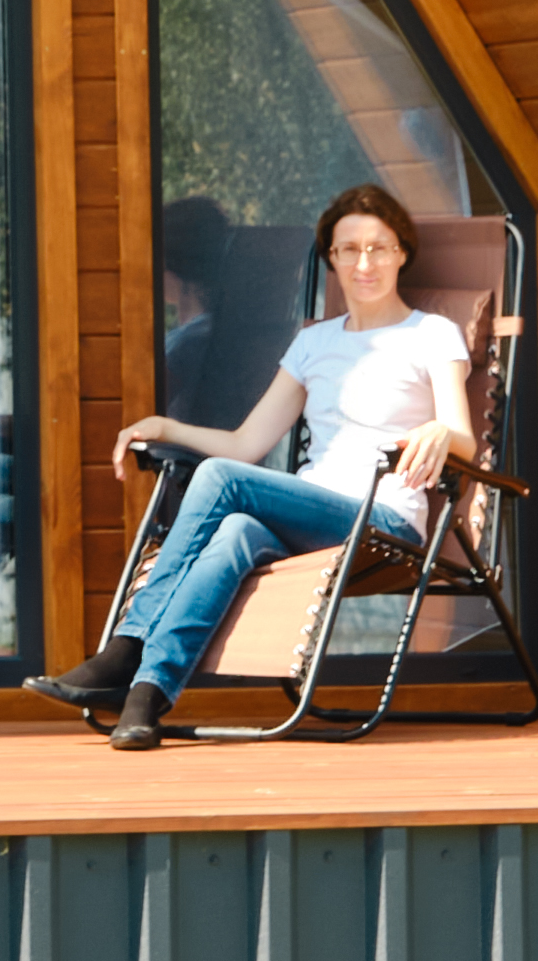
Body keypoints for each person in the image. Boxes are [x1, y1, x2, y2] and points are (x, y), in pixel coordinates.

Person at [47, 180, 475, 748]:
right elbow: (247, 444)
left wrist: (442, 430)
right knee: (237, 531)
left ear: (401, 254)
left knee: (221, 484)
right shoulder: (313, 344)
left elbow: (464, 437)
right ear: (332, 259)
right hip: (314, 514)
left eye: (378, 247)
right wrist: (165, 426)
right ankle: (147, 696)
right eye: (349, 249)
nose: (364, 262)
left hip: (383, 519)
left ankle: (126, 647)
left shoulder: (431, 334)